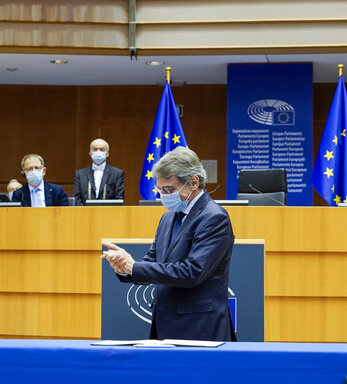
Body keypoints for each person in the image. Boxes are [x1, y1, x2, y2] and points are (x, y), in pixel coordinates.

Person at [101, 147, 235, 341]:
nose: (163, 195)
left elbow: (192, 272)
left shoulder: (214, 217)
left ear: (193, 182)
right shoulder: (167, 217)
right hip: (164, 325)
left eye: (169, 189)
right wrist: (125, 266)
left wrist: (136, 267)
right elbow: (153, 262)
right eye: (160, 189)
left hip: (199, 327)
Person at [73, 138, 125, 205]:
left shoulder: (117, 174)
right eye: (95, 149)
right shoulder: (79, 174)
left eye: (102, 149)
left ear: (107, 153)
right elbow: (77, 198)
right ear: (90, 153)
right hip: (85, 214)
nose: (98, 152)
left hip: (109, 213)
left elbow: (119, 199)